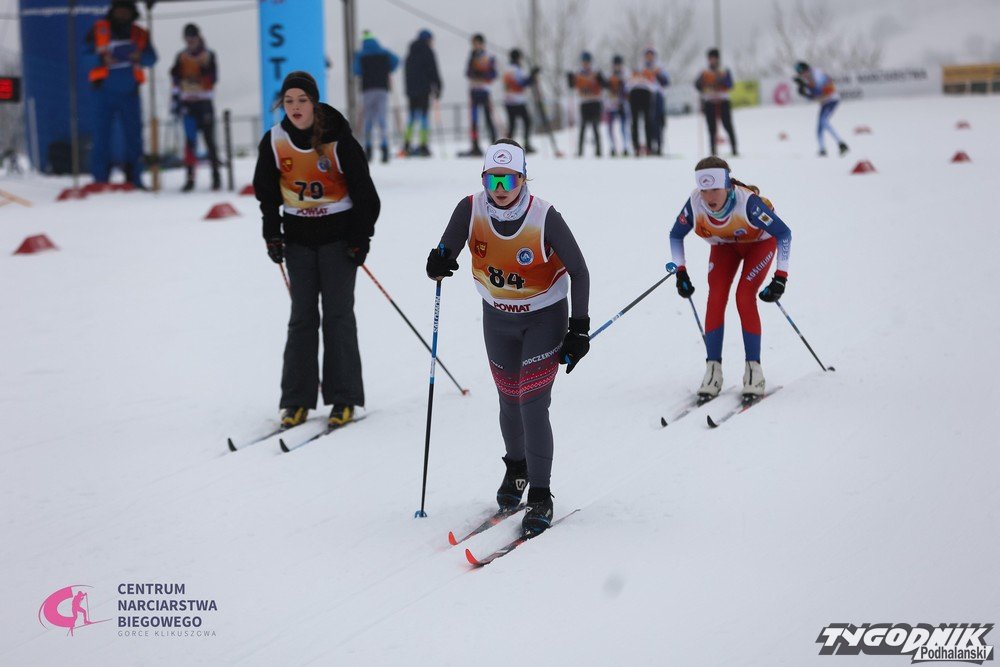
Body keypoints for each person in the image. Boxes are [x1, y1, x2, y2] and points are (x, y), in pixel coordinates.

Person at [425, 139, 590, 536]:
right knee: (508, 400)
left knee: (532, 404)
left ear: (523, 178)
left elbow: (580, 271)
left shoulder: (544, 216)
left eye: (509, 179)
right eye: (492, 179)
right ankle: (517, 468)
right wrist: (438, 261)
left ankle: (541, 494)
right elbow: (446, 249)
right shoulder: (471, 208)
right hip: (497, 319)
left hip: (544, 318)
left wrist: (579, 328)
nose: (499, 188)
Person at [252, 71, 381, 429]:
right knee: (302, 319)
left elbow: (365, 194)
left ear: (314, 103)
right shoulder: (275, 141)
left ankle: (344, 398)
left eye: (302, 100)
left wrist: (361, 238)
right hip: (298, 242)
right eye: (288, 101)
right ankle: (296, 401)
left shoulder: (338, 139)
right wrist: (272, 234)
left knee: (338, 317)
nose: (295, 107)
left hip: (339, 242)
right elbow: (267, 194)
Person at [668, 157, 792, 401]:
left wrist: (780, 277)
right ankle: (713, 370)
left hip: (759, 245)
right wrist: (680, 272)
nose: (709, 197)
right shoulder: (695, 203)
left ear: (727, 185)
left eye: (715, 189)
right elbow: (675, 235)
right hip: (725, 246)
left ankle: (754, 371)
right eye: (704, 190)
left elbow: (783, 233)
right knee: (715, 298)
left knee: (744, 296)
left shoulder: (749, 204)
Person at [85, 0, 157, 188]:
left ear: (132, 12)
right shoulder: (98, 30)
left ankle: (134, 179)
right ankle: (100, 180)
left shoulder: (140, 34)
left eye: (126, 10)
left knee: (134, 138)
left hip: (129, 93)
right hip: (103, 92)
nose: (123, 14)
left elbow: (152, 59)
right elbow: (83, 56)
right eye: (119, 10)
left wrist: (140, 57)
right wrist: (101, 59)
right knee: (101, 137)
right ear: (113, 11)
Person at [170, 23, 220, 192]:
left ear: (198, 37)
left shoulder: (208, 55)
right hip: (188, 104)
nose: (190, 40)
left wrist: (204, 70)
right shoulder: (181, 57)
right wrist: (175, 101)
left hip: (204, 103)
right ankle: (190, 179)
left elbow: (213, 78)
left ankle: (216, 177)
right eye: (187, 37)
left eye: (193, 37)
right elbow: (175, 79)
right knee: (190, 142)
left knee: (209, 141)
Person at [353, 30, 399, 163]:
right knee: (382, 119)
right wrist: (388, 68)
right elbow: (396, 61)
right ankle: (384, 148)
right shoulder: (384, 53)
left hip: (367, 90)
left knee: (368, 120)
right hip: (382, 89)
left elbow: (356, 70)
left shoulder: (361, 55)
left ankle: (368, 149)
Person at [794, 61, 849, 157]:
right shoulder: (809, 77)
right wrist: (805, 92)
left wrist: (805, 89)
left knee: (823, 121)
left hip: (831, 100)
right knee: (819, 126)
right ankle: (822, 149)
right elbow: (815, 97)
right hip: (825, 101)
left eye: (802, 74)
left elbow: (819, 93)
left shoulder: (817, 75)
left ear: (806, 70)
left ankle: (841, 144)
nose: (802, 76)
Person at [403, 29, 442, 157]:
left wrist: (408, 90)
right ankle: (423, 144)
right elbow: (433, 70)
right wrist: (438, 86)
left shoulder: (410, 53)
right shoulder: (428, 52)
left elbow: (407, 74)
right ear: (428, 39)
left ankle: (407, 144)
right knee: (424, 117)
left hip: (411, 91)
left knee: (412, 117)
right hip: (424, 90)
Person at [695, 48, 737, 157]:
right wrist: (702, 85)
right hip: (710, 102)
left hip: (723, 101)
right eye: (710, 58)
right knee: (711, 128)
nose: (712, 60)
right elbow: (697, 85)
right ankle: (713, 151)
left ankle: (734, 149)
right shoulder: (704, 72)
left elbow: (730, 84)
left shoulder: (724, 70)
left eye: (714, 58)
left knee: (727, 125)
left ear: (717, 59)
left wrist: (721, 80)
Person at [461, 34, 498, 157]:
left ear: (482, 44)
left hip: (484, 92)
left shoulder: (488, 57)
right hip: (474, 92)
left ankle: (494, 145)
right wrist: (473, 73)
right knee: (474, 120)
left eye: (477, 43)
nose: (475, 46)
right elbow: (468, 72)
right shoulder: (471, 56)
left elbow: (493, 74)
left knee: (488, 119)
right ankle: (475, 145)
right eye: (473, 44)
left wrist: (482, 75)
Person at [629, 48, 669, 156]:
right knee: (647, 121)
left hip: (657, 97)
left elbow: (666, 81)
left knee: (657, 122)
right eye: (647, 55)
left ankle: (658, 146)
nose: (649, 57)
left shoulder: (659, 67)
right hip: (646, 95)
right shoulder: (641, 68)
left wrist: (657, 74)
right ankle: (647, 146)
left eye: (651, 55)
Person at [567, 51, 604, 157]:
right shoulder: (578, 73)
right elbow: (571, 86)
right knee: (583, 127)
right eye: (584, 61)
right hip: (584, 102)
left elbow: (603, 84)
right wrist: (569, 78)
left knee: (595, 126)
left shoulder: (595, 72)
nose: (585, 63)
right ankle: (580, 151)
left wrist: (600, 78)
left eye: (587, 61)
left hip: (595, 101)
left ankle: (598, 151)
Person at [502, 49, 539, 153]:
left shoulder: (507, 68)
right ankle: (526, 144)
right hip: (517, 101)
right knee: (527, 122)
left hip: (508, 101)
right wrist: (532, 76)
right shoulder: (516, 69)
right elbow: (521, 83)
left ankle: (508, 147)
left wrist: (531, 77)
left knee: (512, 125)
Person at [605, 54, 631, 157]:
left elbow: (628, 89)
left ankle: (625, 147)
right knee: (610, 127)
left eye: (619, 64)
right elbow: (605, 88)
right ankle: (612, 147)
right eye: (616, 64)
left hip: (622, 104)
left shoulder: (625, 74)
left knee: (623, 127)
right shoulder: (609, 75)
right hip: (611, 104)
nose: (617, 66)